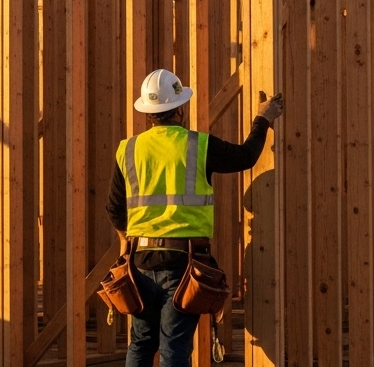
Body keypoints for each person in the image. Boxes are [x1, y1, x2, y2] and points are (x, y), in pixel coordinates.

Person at [106, 69, 283, 367]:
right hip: (183, 263)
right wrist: (263, 119)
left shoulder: (129, 149)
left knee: (140, 344)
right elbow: (245, 157)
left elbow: (114, 209)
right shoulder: (197, 145)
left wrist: (126, 242)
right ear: (180, 109)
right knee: (174, 348)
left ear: (149, 111)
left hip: (139, 261)